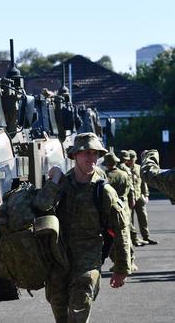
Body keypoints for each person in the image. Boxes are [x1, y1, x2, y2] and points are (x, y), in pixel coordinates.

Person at [34, 132, 131, 323]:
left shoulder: (103, 190)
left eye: (95, 153)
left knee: (79, 310)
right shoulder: (62, 184)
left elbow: (120, 229)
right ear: (74, 156)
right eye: (86, 153)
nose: (91, 158)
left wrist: (121, 268)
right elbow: (41, 205)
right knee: (60, 311)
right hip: (59, 258)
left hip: (89, 258)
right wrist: (54, 181)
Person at [102, 153, 137, 272]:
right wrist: (132, 199)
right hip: (124, 206)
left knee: (111, 235)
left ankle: (117, 261)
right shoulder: (124, 174)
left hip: (111, 208)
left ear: (106, 164)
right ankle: (130, 261)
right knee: (125, 234)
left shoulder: (106, 177)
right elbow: (131, 188)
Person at [126, 150, 157, 245]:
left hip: (139, 196)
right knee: (129, 220)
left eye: (133, 159)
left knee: (143, 217)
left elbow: (144, 183)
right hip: (128, 198)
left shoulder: (139, 168)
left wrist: (146, 194)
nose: (131, 161)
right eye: (130, 159)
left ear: (135, 158)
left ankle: (146, 236)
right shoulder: (124, 169)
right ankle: (132, 238)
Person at [118, 150, 144, 247]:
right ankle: (134, 239)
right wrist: (132, 198)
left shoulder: (116, 168)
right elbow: (130, 185)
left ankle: (132, 239)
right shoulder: (125, 169)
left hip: (117, 199)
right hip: (125, 199)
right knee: (128, 220)